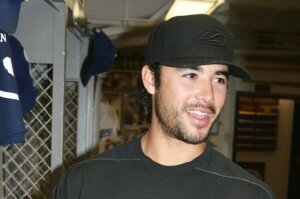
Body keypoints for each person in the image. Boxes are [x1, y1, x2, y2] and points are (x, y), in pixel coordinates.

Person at [52, 14, 275, 198]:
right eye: (190, 74)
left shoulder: (249, 193)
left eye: (219, 79)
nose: (208, 95)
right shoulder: (85, 183)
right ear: (151, 79)